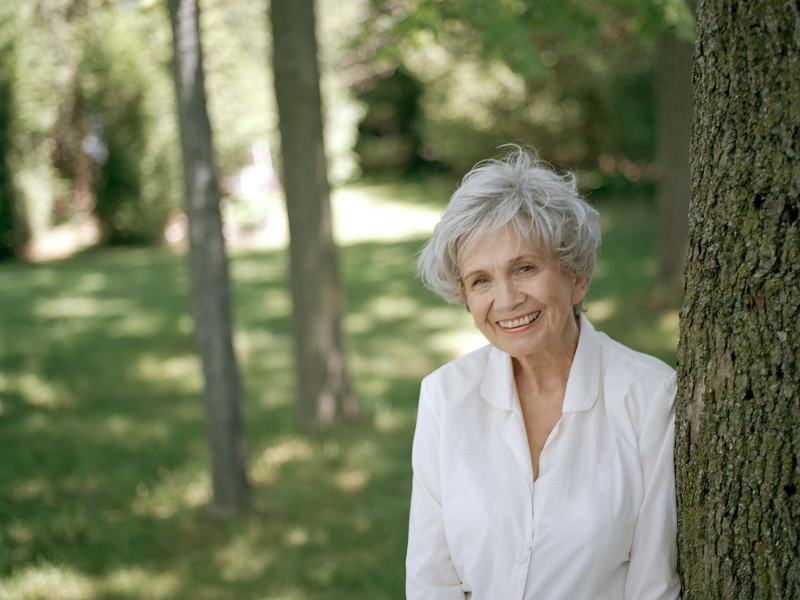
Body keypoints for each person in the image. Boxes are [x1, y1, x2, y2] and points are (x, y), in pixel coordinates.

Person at [407, 147, 680, 599]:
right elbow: (430, 581)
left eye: (525, 268)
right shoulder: (444, 397)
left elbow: (653, 585)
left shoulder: (648, 396)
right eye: (481, 280)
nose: (508, 298)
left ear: (577, 276)